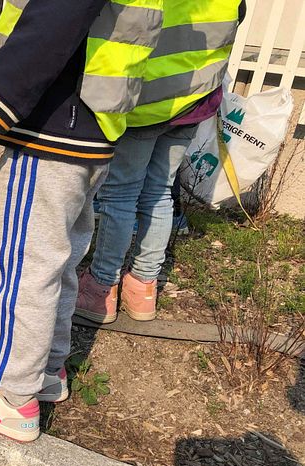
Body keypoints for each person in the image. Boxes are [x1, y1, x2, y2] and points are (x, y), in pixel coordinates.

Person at [0, 0, 170, 441]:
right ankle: (47, 372)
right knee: (57, 261)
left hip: (52, 129)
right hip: (94, 126)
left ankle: (13, 398)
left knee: (21, 267)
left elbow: (51, 25)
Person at [75, 1, 246, 324]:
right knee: (160, 191)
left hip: (146, 99)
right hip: (194, 98)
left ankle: (101, 286)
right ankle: (143, 287)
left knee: (121, 195)